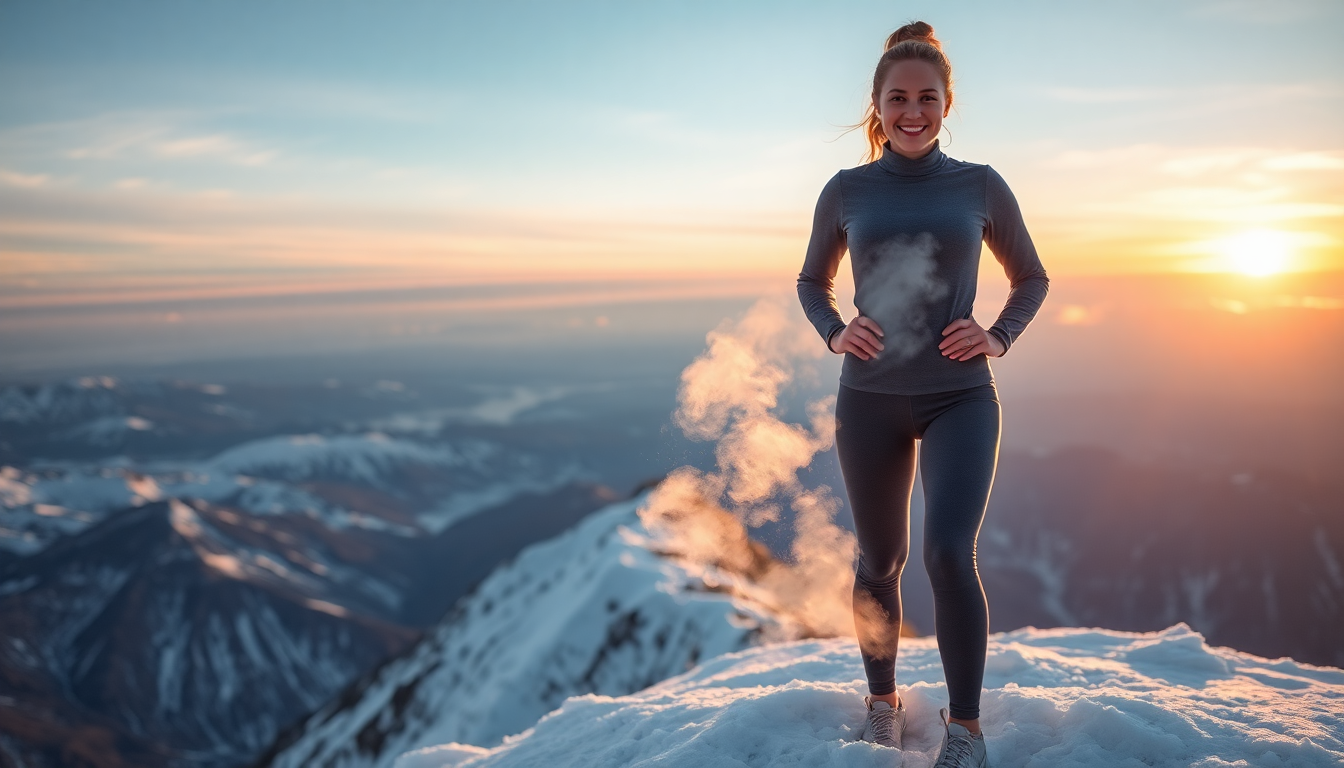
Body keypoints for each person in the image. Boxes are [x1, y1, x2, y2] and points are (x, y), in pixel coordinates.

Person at [796, 21, 1050, 768]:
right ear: (876, 105)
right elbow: (812, 281)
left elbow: (1031, 276)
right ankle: (883, 705)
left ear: (947, 104)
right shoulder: (845, 190)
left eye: (927, 98)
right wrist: (835, 330)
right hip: (867, 397)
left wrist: (999, 336)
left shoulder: (979, 184)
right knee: (879, 560)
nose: (914, 110)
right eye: (898, 97)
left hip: (960, 398)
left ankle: (964, 731)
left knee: (946, 553)